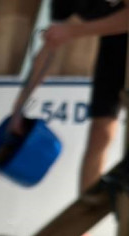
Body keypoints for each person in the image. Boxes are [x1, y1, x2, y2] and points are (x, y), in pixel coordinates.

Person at [14, 0, 129, 194]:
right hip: (114, 43)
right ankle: (87, 206)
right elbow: (51, 46)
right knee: (101, 130)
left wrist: (74, 31)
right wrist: (18, 108)